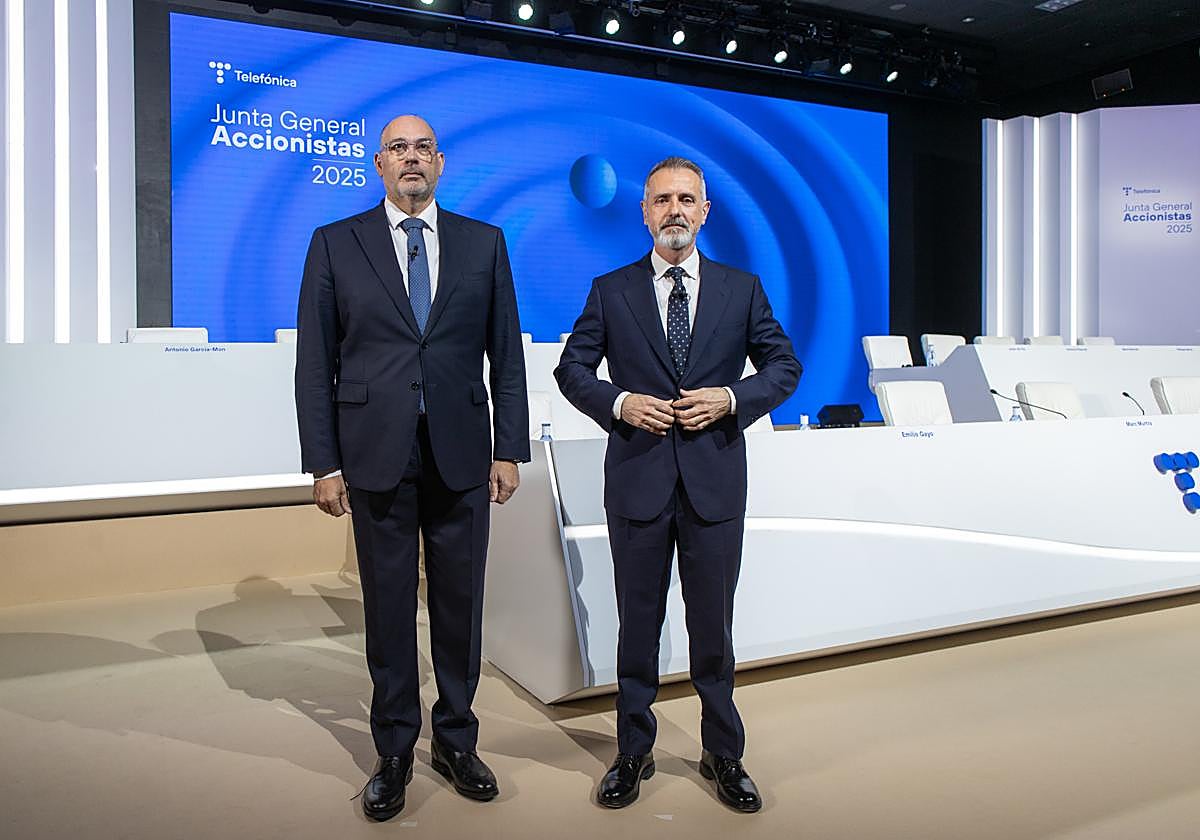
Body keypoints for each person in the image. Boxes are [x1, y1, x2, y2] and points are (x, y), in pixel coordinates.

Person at [295, 114, 529, 822]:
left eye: (423, 148)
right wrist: (324, 462)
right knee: (389, 609)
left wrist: (508, 447)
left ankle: (456, 740)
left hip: (462, 452)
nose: (411, 159)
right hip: (375, 453)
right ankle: (394, 749)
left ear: (440, 162)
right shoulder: (335, 242)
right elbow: (315, 364)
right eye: (398, 148)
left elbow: (506, 356)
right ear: (379, 164)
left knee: (460, 605)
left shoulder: (484, 243)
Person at [555, 157, 800, 813]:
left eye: (686, 199)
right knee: (637, 626)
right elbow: (572, 370)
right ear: (644, 212)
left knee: (713, 629)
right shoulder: (610, 290)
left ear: (705, 210)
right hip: (637, 482)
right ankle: (632, 751)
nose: (674, 210)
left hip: (714, 486)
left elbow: (783, 366)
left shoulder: (741, 289)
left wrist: (731, 397)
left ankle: (724, 753)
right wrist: (619, 403)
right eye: (662, 199)